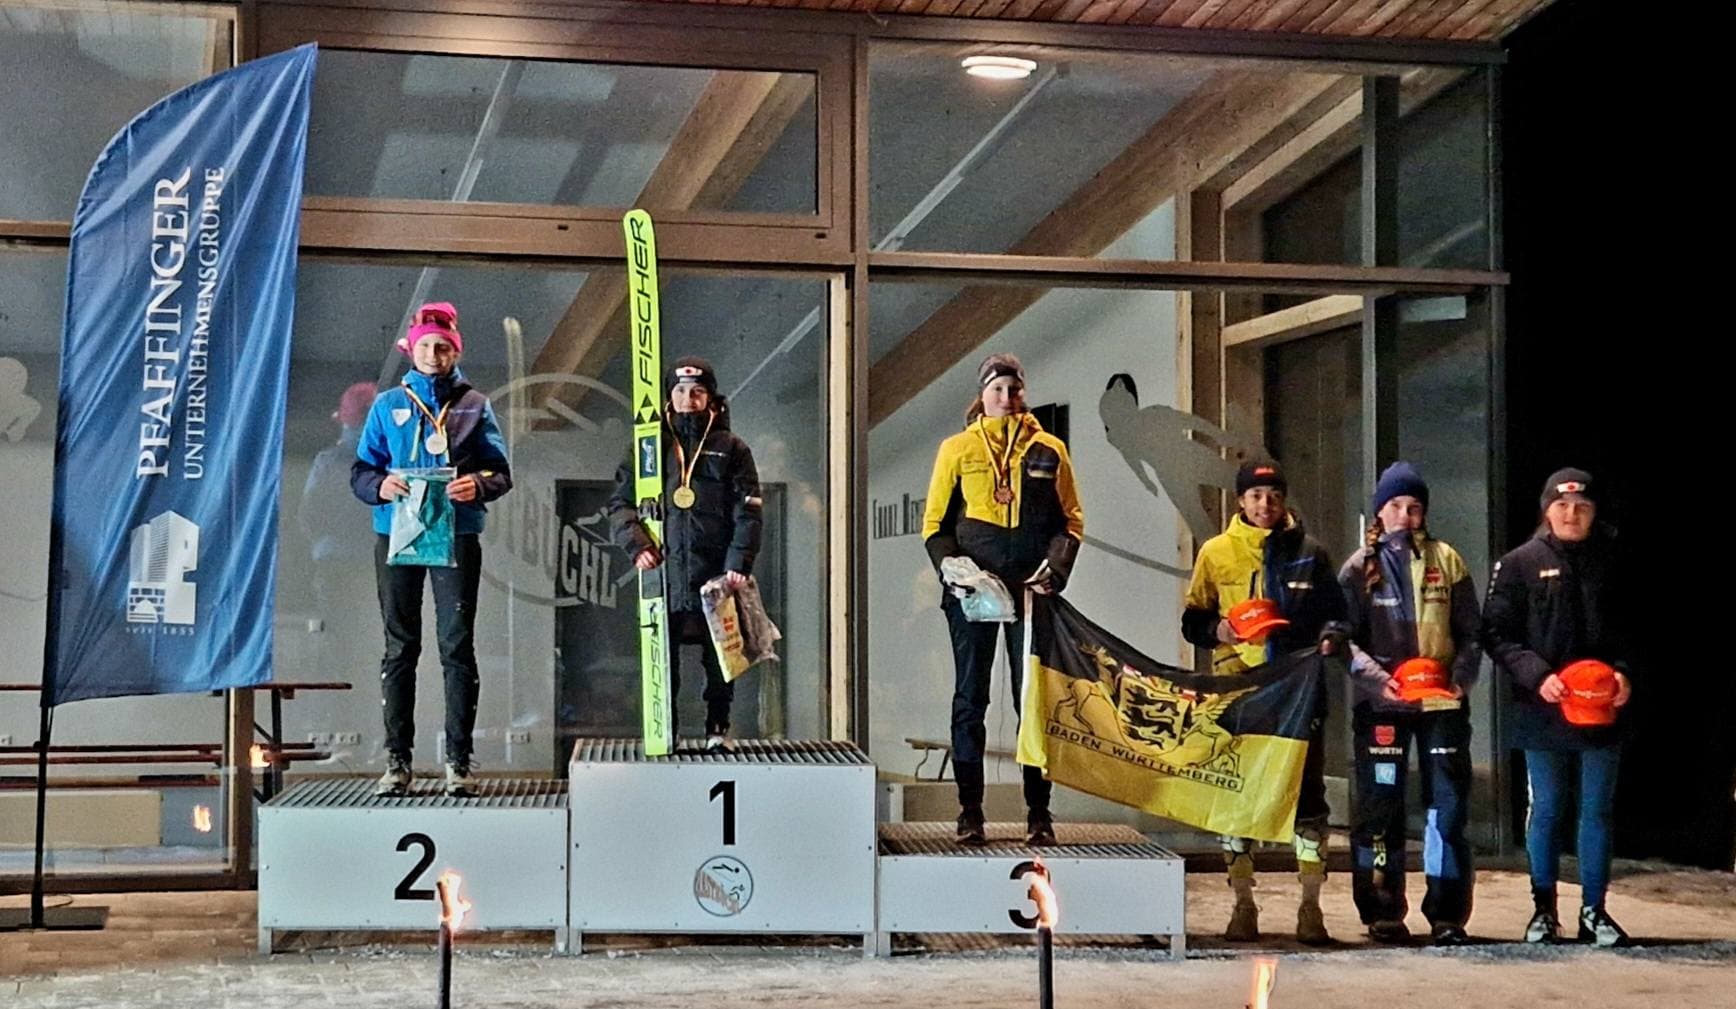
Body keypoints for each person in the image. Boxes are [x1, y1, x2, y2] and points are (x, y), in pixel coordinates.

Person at [921, 353, 1083, 847]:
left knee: (1030, 700)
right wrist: (952, 568)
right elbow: (934, 524)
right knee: (971, 697)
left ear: (1024, 392)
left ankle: (1039, 813)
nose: (1007, 398)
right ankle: (970, 813)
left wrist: (1056, 566)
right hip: (973, 591)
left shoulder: (1049, 448)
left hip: (1029, 590)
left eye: (1014, 389)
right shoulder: (957, 448)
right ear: (982, 395)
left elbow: (1072, 520)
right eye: (997, 389)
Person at [352, 302, 512, 797]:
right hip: (397, 535)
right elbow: (361, 471)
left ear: (455, 352)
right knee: (400, 646)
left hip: (456, 533)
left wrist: (477, 485)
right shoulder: (387, 405)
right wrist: (380, 486)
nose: (433, 354)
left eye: (442, 347)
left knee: (456, 646)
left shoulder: (475, 405)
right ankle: (397, 761)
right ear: (411, 349)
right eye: (425, 345)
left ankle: (458, 762)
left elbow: (500, 471)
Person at [1181, 460, 1344, 945]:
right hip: (1239, 692)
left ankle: (1311, 906)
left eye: (1273, 495)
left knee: (1308, 797)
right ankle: (1242, 903)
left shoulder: (1311, 553)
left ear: (1284, 499)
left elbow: (1337, 615)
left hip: (1298, 694)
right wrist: (1218, 629)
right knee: (1237, 797)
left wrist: (1331, 638)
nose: (1264, 504)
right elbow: (1192, 620)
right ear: (1240, 501)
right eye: (1255, 496)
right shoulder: (1216, 552)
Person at [1482, 467, 1634, 947]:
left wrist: (1624, 672)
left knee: (1597, 810)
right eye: (1562, 505)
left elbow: (1635, 626)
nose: (1572, 514)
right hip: (1542, 709)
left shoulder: (1613, 560)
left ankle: (1594, 910)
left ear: (1594, 512)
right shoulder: (1518, 564)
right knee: (1547, 806)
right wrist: (1537, 675)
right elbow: (1496, 634)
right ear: (1547, 510)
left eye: (1582, 506)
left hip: (1602, 709)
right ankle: (1543, 909)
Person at [1337, 462, 1481, 946]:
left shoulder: (1448, 560)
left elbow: (1472, 633)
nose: (1405, 515)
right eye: (1396, 505)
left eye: (1414, 507)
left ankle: (1447, 914)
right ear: (1380, 511)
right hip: (1382, 708)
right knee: (1380, 810)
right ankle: (1382, 910)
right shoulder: (1359, 567)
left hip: (1441, 707)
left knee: (1448, 809)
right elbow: (1341, 639)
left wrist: (1460, 680)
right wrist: (1379, 682)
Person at [609, 357, 763, 752]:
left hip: (716, 574)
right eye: (679, 391)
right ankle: (666, 730)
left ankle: (718, 729)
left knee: (721, 657)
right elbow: (620, 504)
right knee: (663, 657)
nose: (688, 399)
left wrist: (738, 564)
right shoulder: (649, 447)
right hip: (665, 574)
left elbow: (748, 510)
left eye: (697, 392)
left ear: (711, 398)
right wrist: (638, 545)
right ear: (669, 396)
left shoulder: (732, 448)